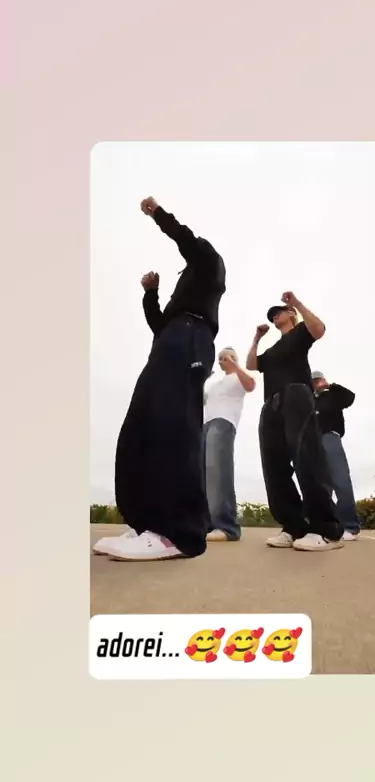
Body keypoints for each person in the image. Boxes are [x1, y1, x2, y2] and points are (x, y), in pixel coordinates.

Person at [93, 196, 226, 561]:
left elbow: (185, 238)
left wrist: (158, 214)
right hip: (168, 342)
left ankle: (177, 532)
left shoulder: (209, 263)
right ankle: (146, 523)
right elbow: (158, 324)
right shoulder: (182, 297)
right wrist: (151, 294)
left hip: (192, 339)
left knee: (174, 425)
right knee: (142, 425)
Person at [246, 292, 344, 552]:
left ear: (290, 314)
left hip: (297, 394)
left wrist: (296, 304)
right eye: (272, 315)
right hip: (271, 403)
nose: (274, 316)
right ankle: (293, 526)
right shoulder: (271, 350)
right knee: (273, 465)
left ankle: (326, 529)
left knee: (306, 456)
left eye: (278, 312)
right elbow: (252, 364)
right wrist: (257, 338)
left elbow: (319, 329)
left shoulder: (300, 332)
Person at [203, 348, 255, 543]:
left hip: (223, 422)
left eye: (226, 357)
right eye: (220, 358)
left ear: (234, 358)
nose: (222, 360)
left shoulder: (237, 378)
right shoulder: (215, 385)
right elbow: (202, 400)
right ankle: (209, 523)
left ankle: (226, 526)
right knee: (205, 474)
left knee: (218, 470)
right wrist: (201, 379)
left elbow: (251, 385)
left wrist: (235, 366)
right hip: (206, 424)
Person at [311, 371, 360, 541]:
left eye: (318, 380)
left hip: (331, 437)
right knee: (321, 486)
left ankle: (350, 526)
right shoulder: (311, 401)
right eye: (314, 381)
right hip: (314, 442)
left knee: (340, 480)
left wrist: (331, 386)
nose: (316, 384)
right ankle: (328, 525)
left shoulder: (333, 395)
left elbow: (350, 398)